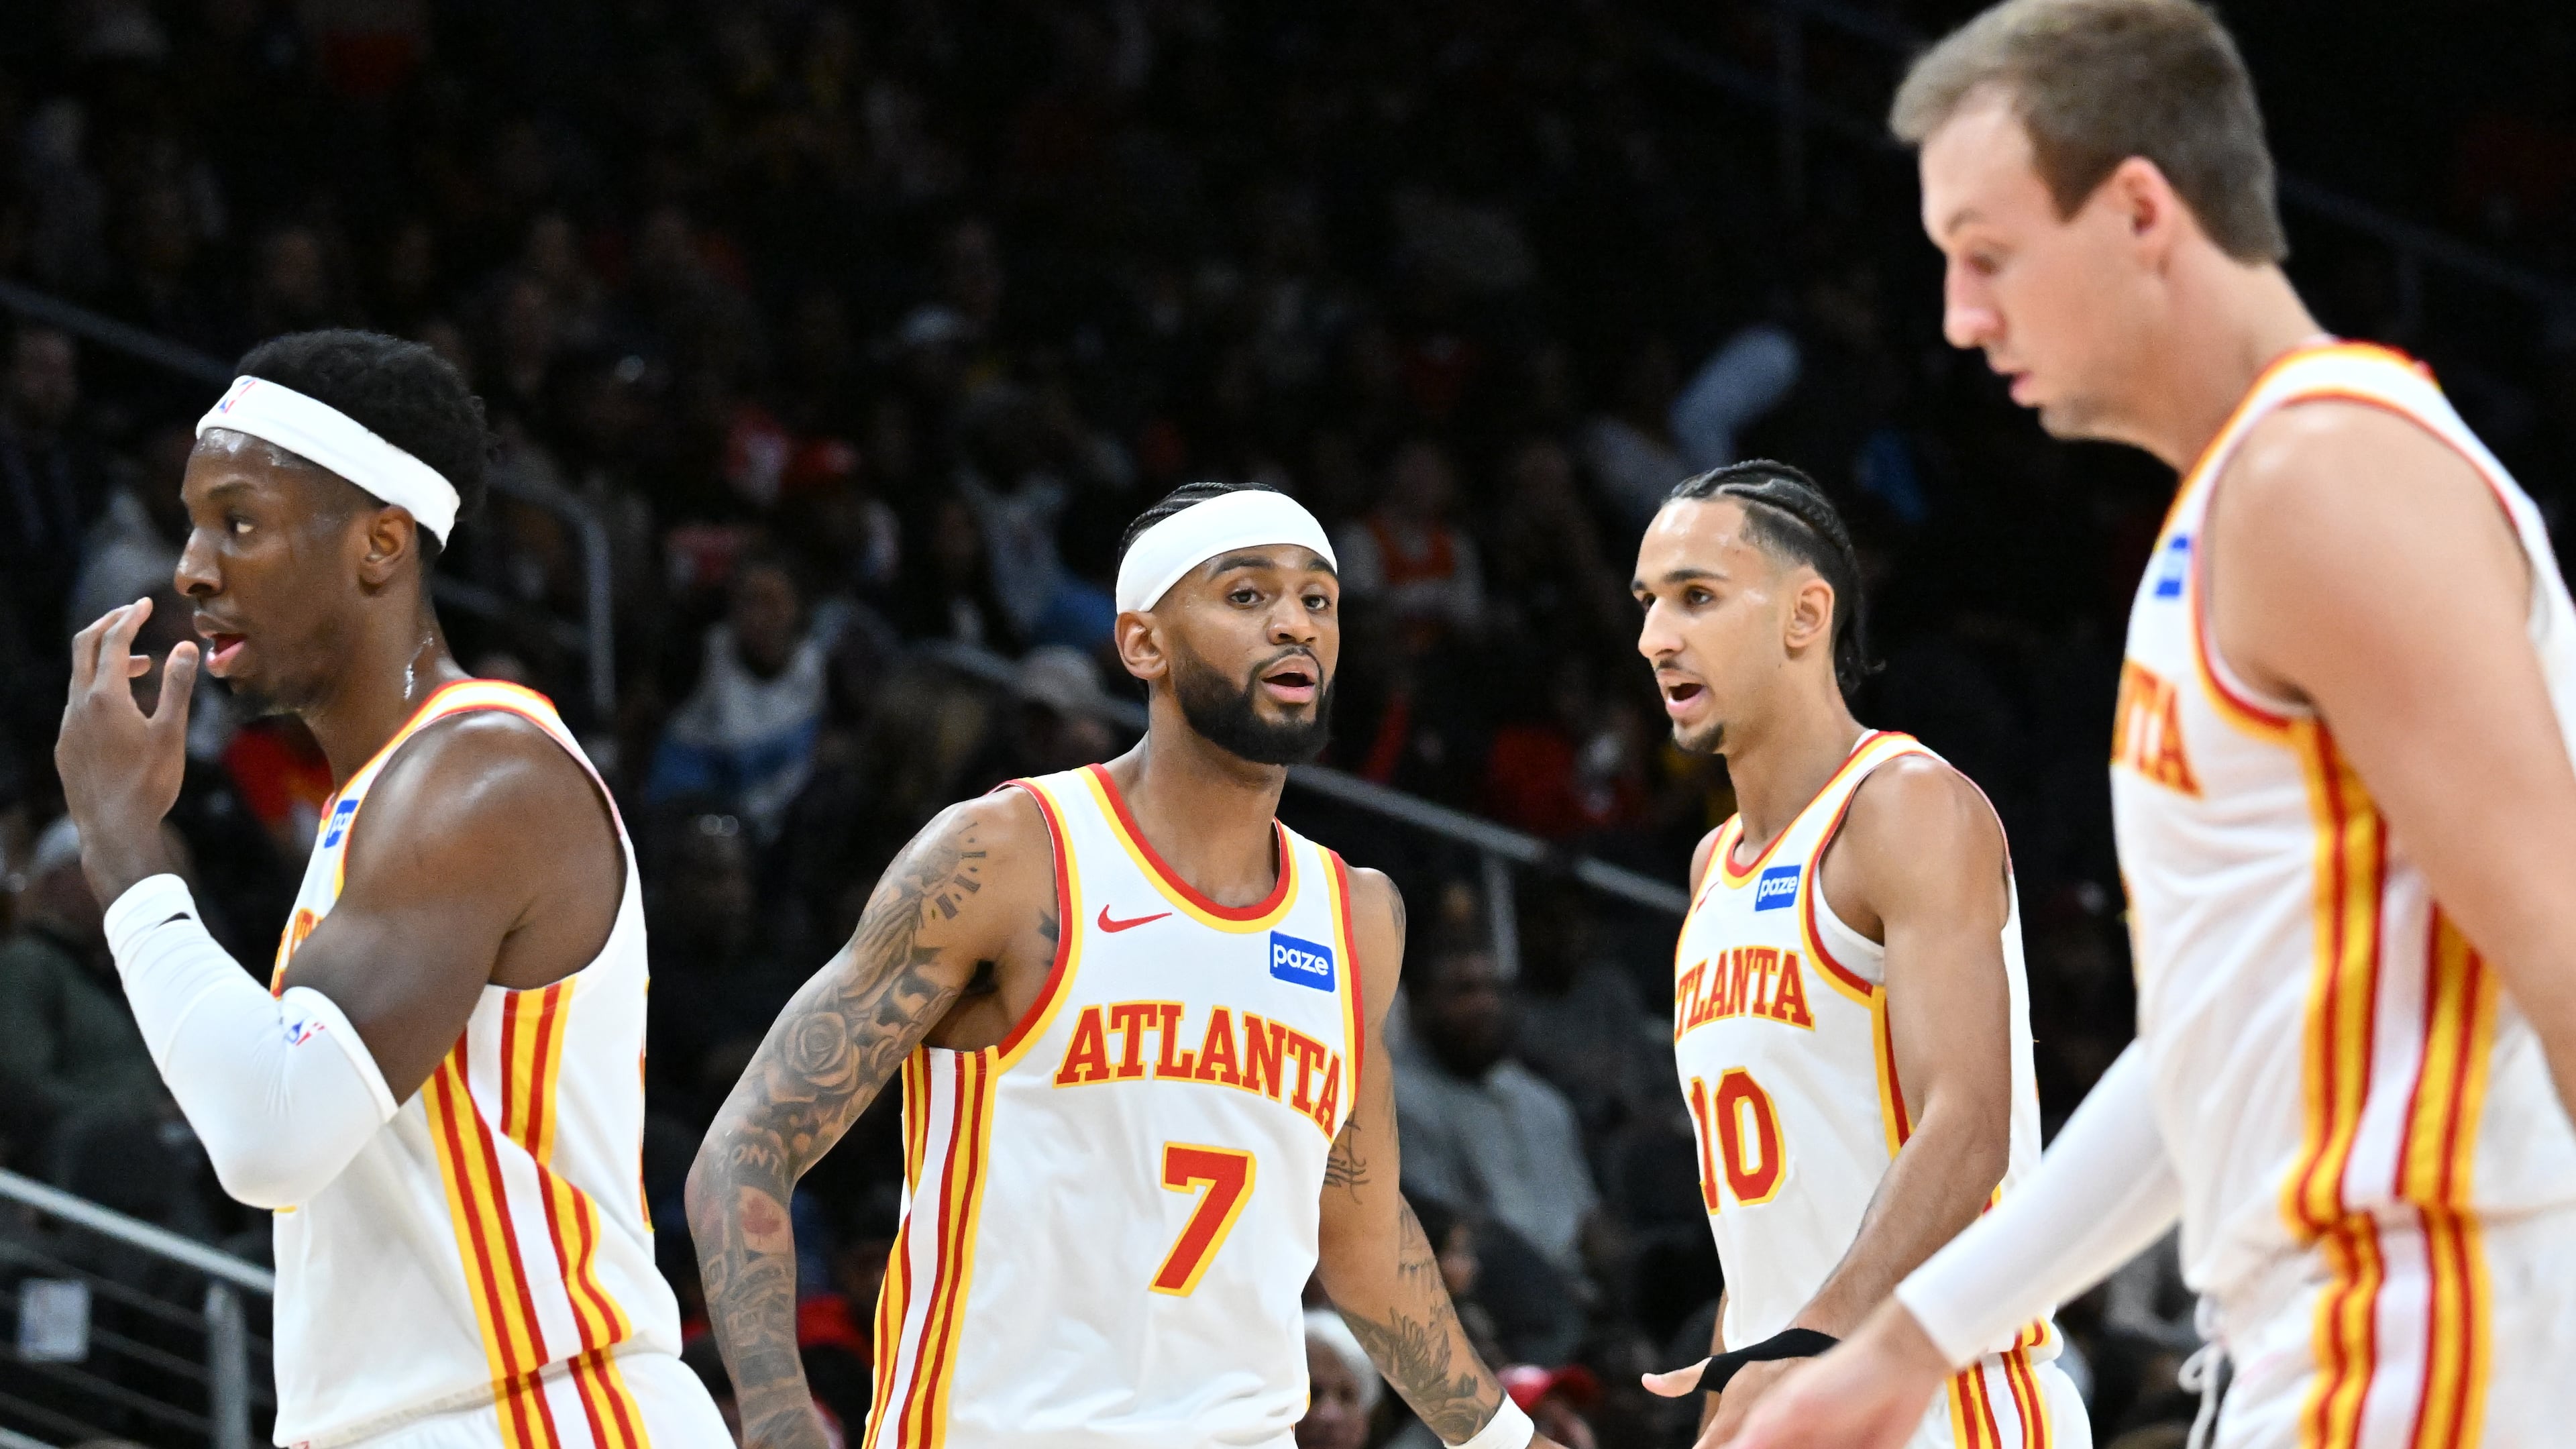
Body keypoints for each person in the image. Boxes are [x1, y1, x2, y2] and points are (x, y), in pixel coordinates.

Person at [1719, 3, 2576, 1445]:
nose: (1959, 316)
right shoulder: (2249, 504)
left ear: (2137, 212)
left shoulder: (2326, 481)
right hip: (2316, 1347)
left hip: (2439, 1345)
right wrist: (1908, 1346)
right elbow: (2214, 1044)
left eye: (1988, 256)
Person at [687, 480, 1561, 1449]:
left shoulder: (1356, 914)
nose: (1295, 625)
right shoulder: (1009, 856)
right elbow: (748, 1148)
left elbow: (1360, 1238)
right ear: (1143, 643)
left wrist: (1506, 1443)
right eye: (1246, 596)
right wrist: (774, 1421)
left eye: (1318, 600)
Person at [52, 329, 729, 1448]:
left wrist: (122, 844)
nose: (191, 568)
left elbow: (271, 1134)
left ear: (379, 545)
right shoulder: (386, 798)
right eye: (191, 521)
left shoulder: (478, 777)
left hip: (539, 1414)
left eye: (240, 521)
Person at [1629, 462, 2086, 1448]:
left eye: (1697, 597)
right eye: (1649, 604)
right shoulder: (1713, 869)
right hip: (1805, 1400)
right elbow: (1770, 1239)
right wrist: (1733, 1399)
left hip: (1950, 1403)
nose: (1656, 638)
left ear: (1805, 616)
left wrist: (1808, 1341)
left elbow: (1968, 1130)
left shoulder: (1906, 806)